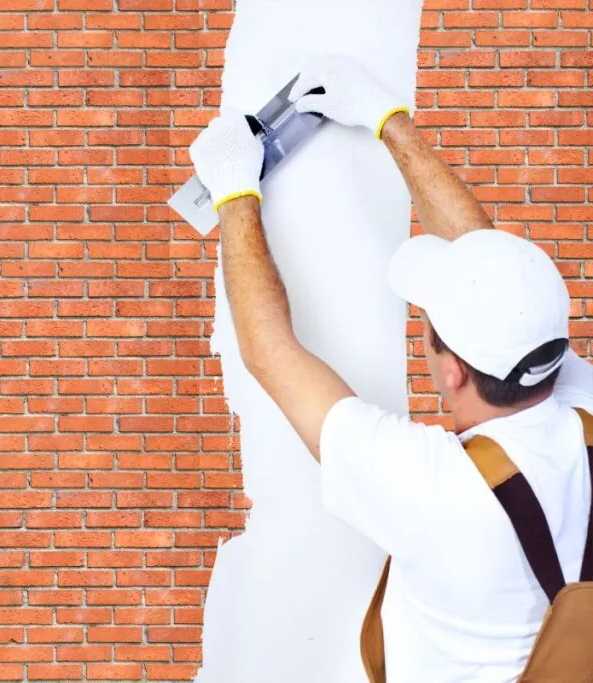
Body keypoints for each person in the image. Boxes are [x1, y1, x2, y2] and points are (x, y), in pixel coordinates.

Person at [188, 55, 593, 682]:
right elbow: (492, 274)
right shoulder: (579, 400)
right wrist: (390, 122)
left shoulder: (434, 489)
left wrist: (235, 193)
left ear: (452, 371)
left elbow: (269, 352)